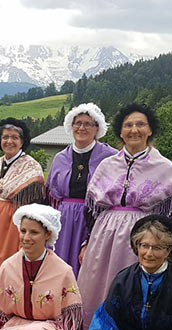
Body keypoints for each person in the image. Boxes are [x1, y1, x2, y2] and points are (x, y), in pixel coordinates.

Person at [77, 103, 172, 327]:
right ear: (121, 132)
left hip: (144, 236)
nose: (134, 130)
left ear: (150, 130)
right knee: (99, 281)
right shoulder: (107, 165)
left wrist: (167, 248)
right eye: (128, 125)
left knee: (134, 284)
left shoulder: (164, 167)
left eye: (140, 124)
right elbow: (91, 209)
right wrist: (87, 242)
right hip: (104, 236)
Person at [0, 118, 46, 320]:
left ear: (23, 141)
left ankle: (10, 313)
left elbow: (36, 206)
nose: (9, 141)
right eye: (5, 137)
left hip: (13, 224)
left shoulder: (32, 168)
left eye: (15, 137)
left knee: (7, 264)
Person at [46, 103, 117, 277]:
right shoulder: (60, 158)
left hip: (93, 220)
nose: (82, 128)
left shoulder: (111, 157)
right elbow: (50, 197)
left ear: (97, 128)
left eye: (88, 124)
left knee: (88, 268)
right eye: (78, 123)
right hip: (64, 220)